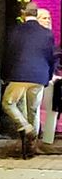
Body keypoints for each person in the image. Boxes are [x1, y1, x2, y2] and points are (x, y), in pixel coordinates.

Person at [1, 1, 56, 153]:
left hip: (19, 73)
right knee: (34, 109)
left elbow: (8, 54)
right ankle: (32, 146)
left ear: (23, 13)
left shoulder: (15, 31)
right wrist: (48, 75)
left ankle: (26, 128)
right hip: (39, 76)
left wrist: (5, 74)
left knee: (8, 103)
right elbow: (51, 57)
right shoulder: (47, 33)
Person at [37, 9, 62, 144]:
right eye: (43, 18)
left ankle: (48, 136)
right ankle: (45, 136)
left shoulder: (50, 39)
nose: (47, 21)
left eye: (48, 18)